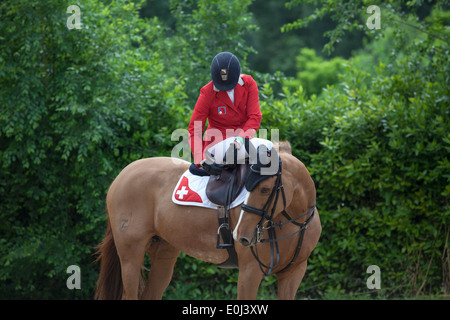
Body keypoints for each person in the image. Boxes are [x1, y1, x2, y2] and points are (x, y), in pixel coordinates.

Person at [188, 52, 262, 168]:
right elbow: (195, 128)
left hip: (243, 138)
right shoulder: (207, 92)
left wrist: (241, 138)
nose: (227, 90)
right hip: (216, 143)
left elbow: (255, 116)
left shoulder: (248, 83)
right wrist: (200, 158)